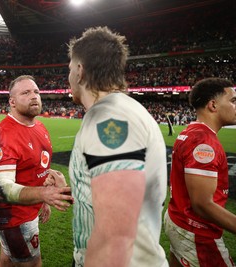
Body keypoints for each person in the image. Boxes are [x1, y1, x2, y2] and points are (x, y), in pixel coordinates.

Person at [66, 26, 168, 267]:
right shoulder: (116, 110)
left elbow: (115, 236)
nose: (68, 76)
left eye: (69, 69)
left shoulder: (110, 119)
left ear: (80, 71)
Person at [0, 75, 73, 267]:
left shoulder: (39, 126)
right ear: (12, 102)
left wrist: (43, 197)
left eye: (36, 92)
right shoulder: (3, 137)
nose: (34, 96)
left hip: (29, 207)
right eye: (26, 92)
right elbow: (3, 189)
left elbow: (36, 168)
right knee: (33, 264)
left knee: (7, 260)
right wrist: (44, 194)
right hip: (12, 216)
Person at [164, 77, 236, 267]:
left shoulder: (191, 131)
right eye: (233, 101)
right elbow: (202, 204)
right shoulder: (204, 141)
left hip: (178, 217)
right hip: (196, 230)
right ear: (213, 105)